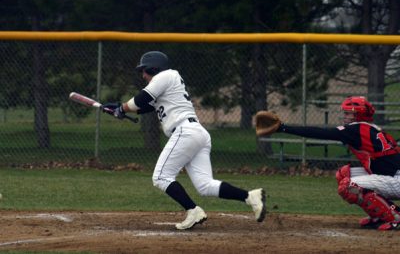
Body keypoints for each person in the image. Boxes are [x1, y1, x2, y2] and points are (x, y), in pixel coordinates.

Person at [103, 51, 266, 230]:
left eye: (145, 71)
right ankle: (250, 197)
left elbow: (142, 99)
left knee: (160, 177)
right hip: (196, 133)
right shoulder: (168, 82)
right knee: (205, 186)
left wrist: (123, 108)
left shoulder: (166, 75)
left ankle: (193, 210)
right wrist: (119, 109)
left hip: (185, 132)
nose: (143, 75)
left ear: (154, 68)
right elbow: (145, 107)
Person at [276, 96, 400, 230]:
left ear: (358, 115)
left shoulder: (355, 129)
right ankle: (378, 216)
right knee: (343, 174)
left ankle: (396, 216)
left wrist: (284, 128)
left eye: (348, 113)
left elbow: (321, 133)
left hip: (396, 180)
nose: (345, 117)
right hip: (391, 175)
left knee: (348, 186)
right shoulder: (372, 128)